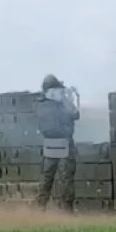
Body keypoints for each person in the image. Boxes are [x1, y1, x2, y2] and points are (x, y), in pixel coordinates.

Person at [35, 74, 80, 212]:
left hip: (49, 145)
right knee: (66, 179)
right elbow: (75, 114)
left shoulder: (39, 104)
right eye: (59, 90)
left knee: (46, 179)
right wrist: (69, 98)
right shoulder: (57, 106)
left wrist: (63, 97)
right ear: (52, 91)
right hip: (64, 145)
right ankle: (67, 211)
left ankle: (40, 208)